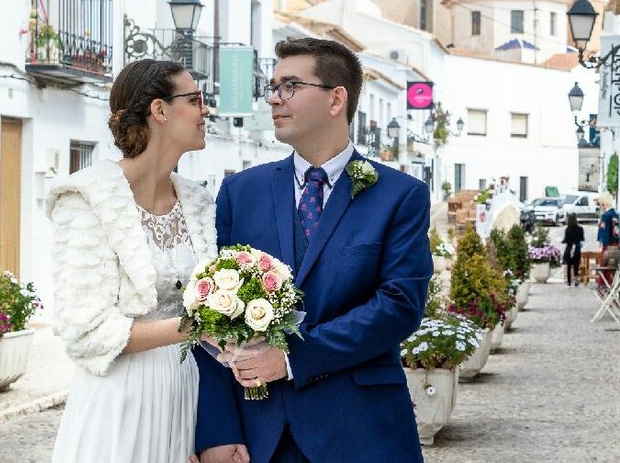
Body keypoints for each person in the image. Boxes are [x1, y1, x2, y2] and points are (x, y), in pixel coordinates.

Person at [194, 38, 432, 463]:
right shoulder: (240, 192)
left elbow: (399, 306)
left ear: (335, 99)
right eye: (272, 87)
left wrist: (289, 356)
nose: (273, 98)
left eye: (289, 86)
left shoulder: (400, 196)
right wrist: (216, 432)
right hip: (260, 435)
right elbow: (209, 316)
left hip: (363, 432)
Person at [45, 59, 220, 463]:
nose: (205, 109)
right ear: (159, 110)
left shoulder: (196, 201)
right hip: (118, 398)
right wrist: (194, 326)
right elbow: (85, 331)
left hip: (183, 393)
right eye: (194, 99)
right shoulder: (87, 198)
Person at [595, 192, 620, 287]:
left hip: (607, 245)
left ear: (603, 203)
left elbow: (605, 232)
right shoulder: (615, 214)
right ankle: (611, 284)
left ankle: (604, 285)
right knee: (613, 267)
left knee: (604, 267)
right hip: (616, 244)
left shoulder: (606, 216)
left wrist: (603, 243)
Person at [561, 213, 584, 286]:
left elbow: (565, 240)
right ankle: (576, 279)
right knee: (576, 265)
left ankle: (568, 281)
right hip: (577, 248)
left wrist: (562, 241)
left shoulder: (567, 229)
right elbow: (582, 238)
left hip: (569, 248)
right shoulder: (580, 229)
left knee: (568, 265)